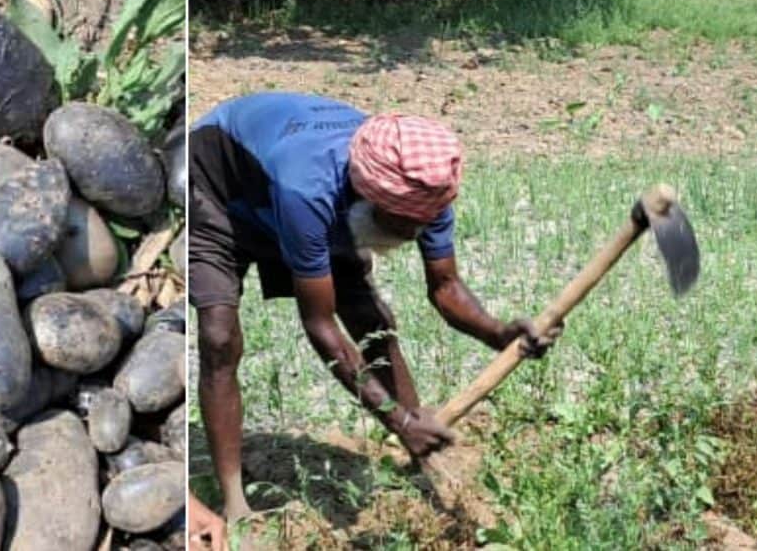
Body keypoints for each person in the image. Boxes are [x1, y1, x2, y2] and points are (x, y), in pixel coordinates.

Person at [188, 92, 562, 520]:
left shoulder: (425, 190)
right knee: (219, 338)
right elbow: (321, 327)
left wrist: (498, 334)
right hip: (224, 191)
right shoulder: (310, 189)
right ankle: (235, 502)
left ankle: (422, 458)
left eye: (419, 224)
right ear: (367, 197)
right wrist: (395, 417)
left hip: (309, 192)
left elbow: (446, 287)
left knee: (373, 321)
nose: (412, 233)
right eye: (400, 224)